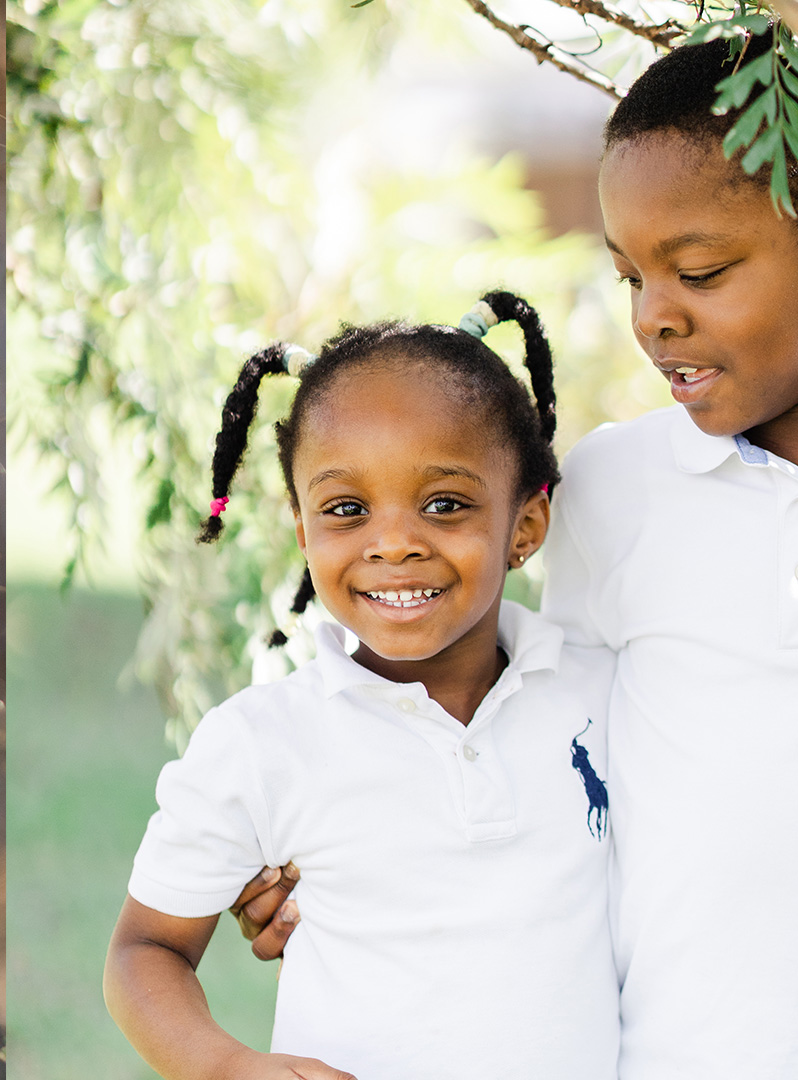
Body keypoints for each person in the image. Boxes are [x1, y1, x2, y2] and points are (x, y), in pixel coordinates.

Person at [230, 27, 798, 1078]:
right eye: (629, 276)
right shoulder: (611, 491)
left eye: (699, 272)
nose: (653, 319)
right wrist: (346, 851)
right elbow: (520, 727)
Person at [103, 292, 621, 1080]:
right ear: (302, 527)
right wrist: (227, 1067)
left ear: (525, 525)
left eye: (444, 504)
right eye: (346, 508)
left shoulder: (602, 696)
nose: (393, 544)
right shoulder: (260, 742)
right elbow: (145, 950)